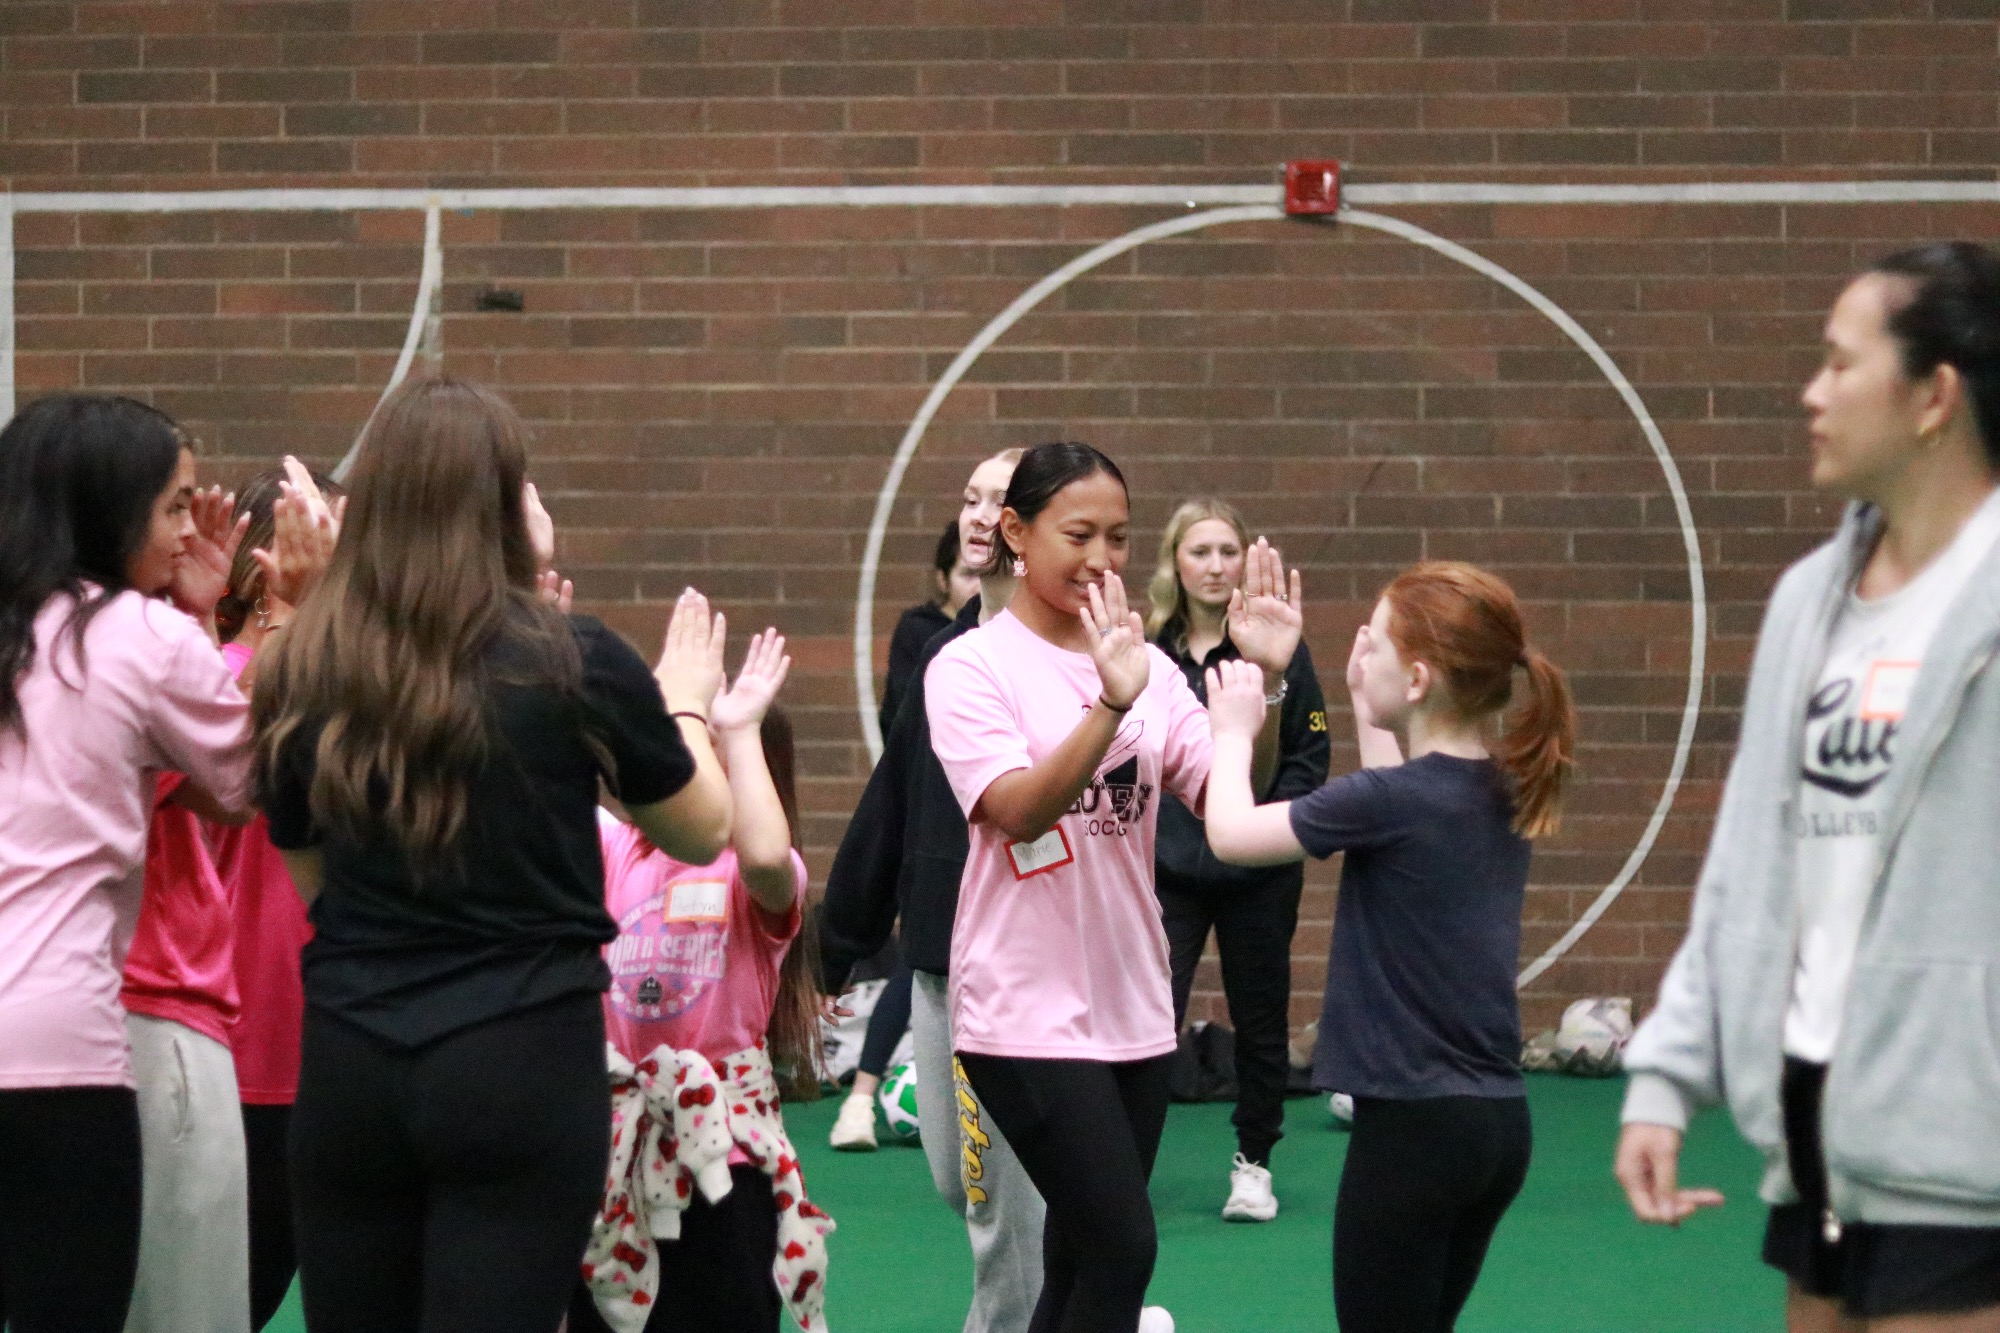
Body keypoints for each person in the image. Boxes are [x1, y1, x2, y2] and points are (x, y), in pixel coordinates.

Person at [253, 377, 733, 1333]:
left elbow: (314, 882)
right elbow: (701, 828)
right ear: (506, 509)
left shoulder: (304, 663)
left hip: (355, 1061)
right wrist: (684, 697)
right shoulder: (569, 656)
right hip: (521, 1060)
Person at [1617, 242, 2000, 1333]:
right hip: (1816, 1141)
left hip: (1966, 1165)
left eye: (1839, 363)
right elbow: (1746, 863)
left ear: (1933, 397)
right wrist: (1664, 1076)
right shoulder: (1804, 601)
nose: (1810, 393)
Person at [927, 441, 1302, 1333]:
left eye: (1120, 537)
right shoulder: (970, 667)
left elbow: (1231, 799)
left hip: (1133, 1002)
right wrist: (1108, 705)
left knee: (1081, 1253)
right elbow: (1017, 810)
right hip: (1020, 1008)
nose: (1102, 558)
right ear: (1016, 532)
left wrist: (1270, 685)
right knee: (1124, 1246)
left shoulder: (1153, 670)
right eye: (1079, 534)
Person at [1203, 560, 1575, 1333]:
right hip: (1496, 1126)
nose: (1359, 648)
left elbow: (1231, 835)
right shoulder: (1501, 788)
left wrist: (1232, 733)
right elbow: (1401, 795)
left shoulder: (1389, 801)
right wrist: (1363, 704)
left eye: (1372, 641)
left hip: (1414, 1131)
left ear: (1417, 679)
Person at [0, 395, 267, 1333]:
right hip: (59, 1054)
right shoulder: (137, 636)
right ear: (109, 511)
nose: (190, 531)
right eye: (174, 507)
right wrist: (279, 615)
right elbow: (250, 783)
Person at [820, 449, 1048, 1333]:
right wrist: (836, 946)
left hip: (1025, 968)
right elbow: (895, 803)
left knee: (996, 1203)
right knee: (963, 1181)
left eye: (1001, 499)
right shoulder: (942, 653)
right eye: (970, 498)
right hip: (940, 961)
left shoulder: (1064, 657)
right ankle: (1095, 1302)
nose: (980, 514)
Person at [570, 638, 833, 1333]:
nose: (672, 751)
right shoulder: (615, 847)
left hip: (727, 1156)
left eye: (694, 738)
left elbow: (767, 852)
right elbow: (527, 780)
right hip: (618, 1153)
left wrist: (739, 726)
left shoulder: (751, 871)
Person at [1145, 498, 1329, 1221]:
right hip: (1168, 873)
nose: (1216, 565)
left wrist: (1261, 831)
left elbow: (1308, 759)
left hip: (1258, 874)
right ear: (1176, 562)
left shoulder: (1277, 648)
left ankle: (1255, 1163)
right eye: (1201, 551)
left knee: (1261, 1020)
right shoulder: (1150, 652)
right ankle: (1126, 1163)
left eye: (1229, 551)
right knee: (1148, 1017)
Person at [210, 464, 345, 1331]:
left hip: (335, 1040)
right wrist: (293, 621)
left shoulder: (351, 688)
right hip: (237, 1045)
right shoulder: (216, 672)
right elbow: (230, 752)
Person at [832, 520, 983, 1152]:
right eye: (965, 572)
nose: (975, 581)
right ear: (944, 578)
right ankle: (861, 1096)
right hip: (936, 820)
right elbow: (906, 725)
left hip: (998, 825)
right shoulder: (926, 637)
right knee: (923, 958)